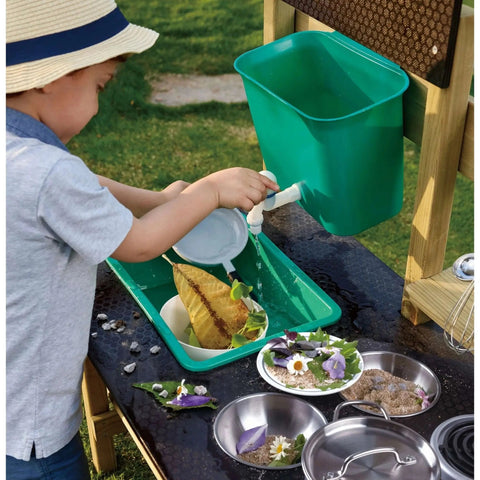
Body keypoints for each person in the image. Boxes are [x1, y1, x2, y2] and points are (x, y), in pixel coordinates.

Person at [5, 1, 279, 478]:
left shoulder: (20, 152)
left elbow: (85, 184)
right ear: (50, 77)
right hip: (32, 425)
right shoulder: (46, 171)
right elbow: (138, 245)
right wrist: (211, 191)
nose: (101, 98)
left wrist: (157, 200)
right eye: (99, 84)